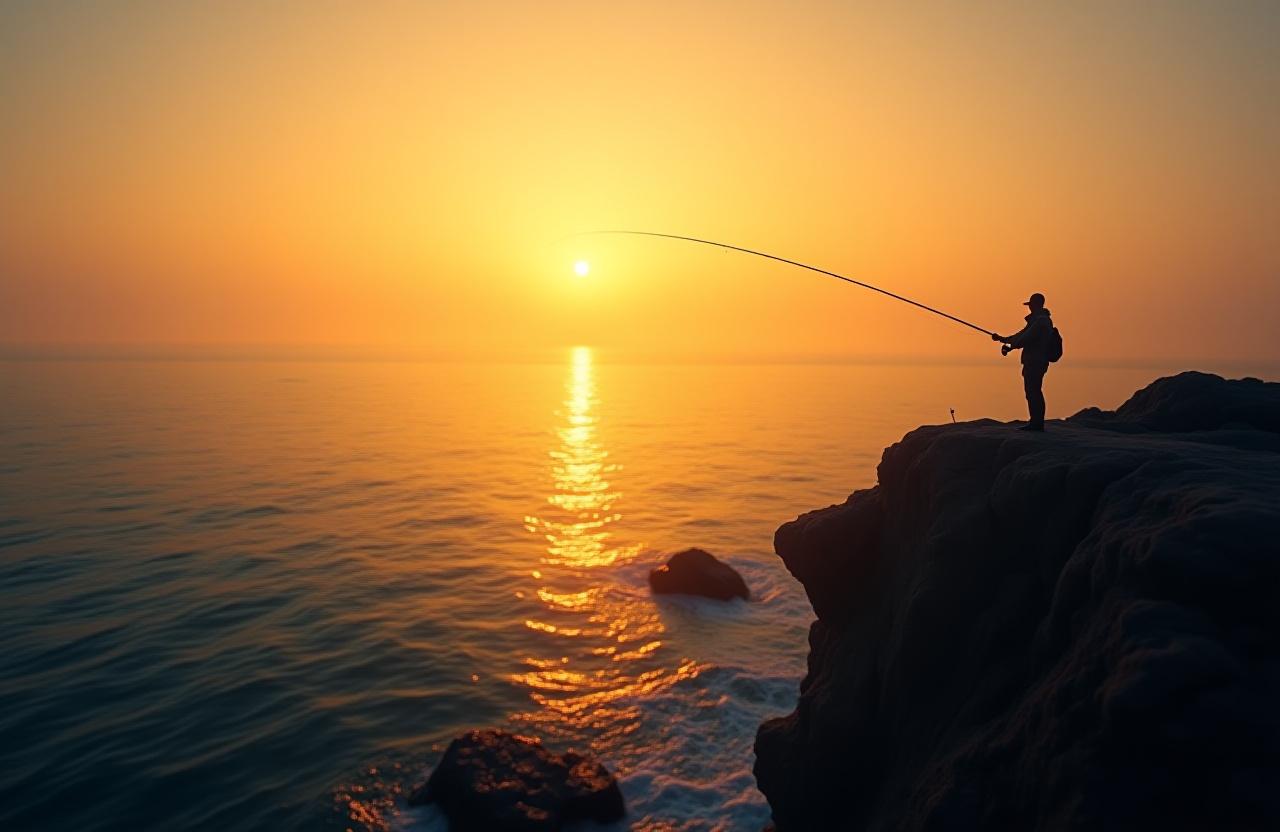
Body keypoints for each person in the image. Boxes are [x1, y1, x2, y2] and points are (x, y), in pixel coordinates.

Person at [992, 293, 1053, 431]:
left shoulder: (1040, 322)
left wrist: (1009, 346)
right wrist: (1002, 339)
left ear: (1035, 305)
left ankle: (1037, 424)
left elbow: (1025, 339)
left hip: (1035, 362)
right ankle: (1036, 422)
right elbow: (1020, 335)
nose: (1029, 308)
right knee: (1033, 391)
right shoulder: (1038, 321)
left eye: (1030, 305)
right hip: (1036, 361)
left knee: (1033, 392)